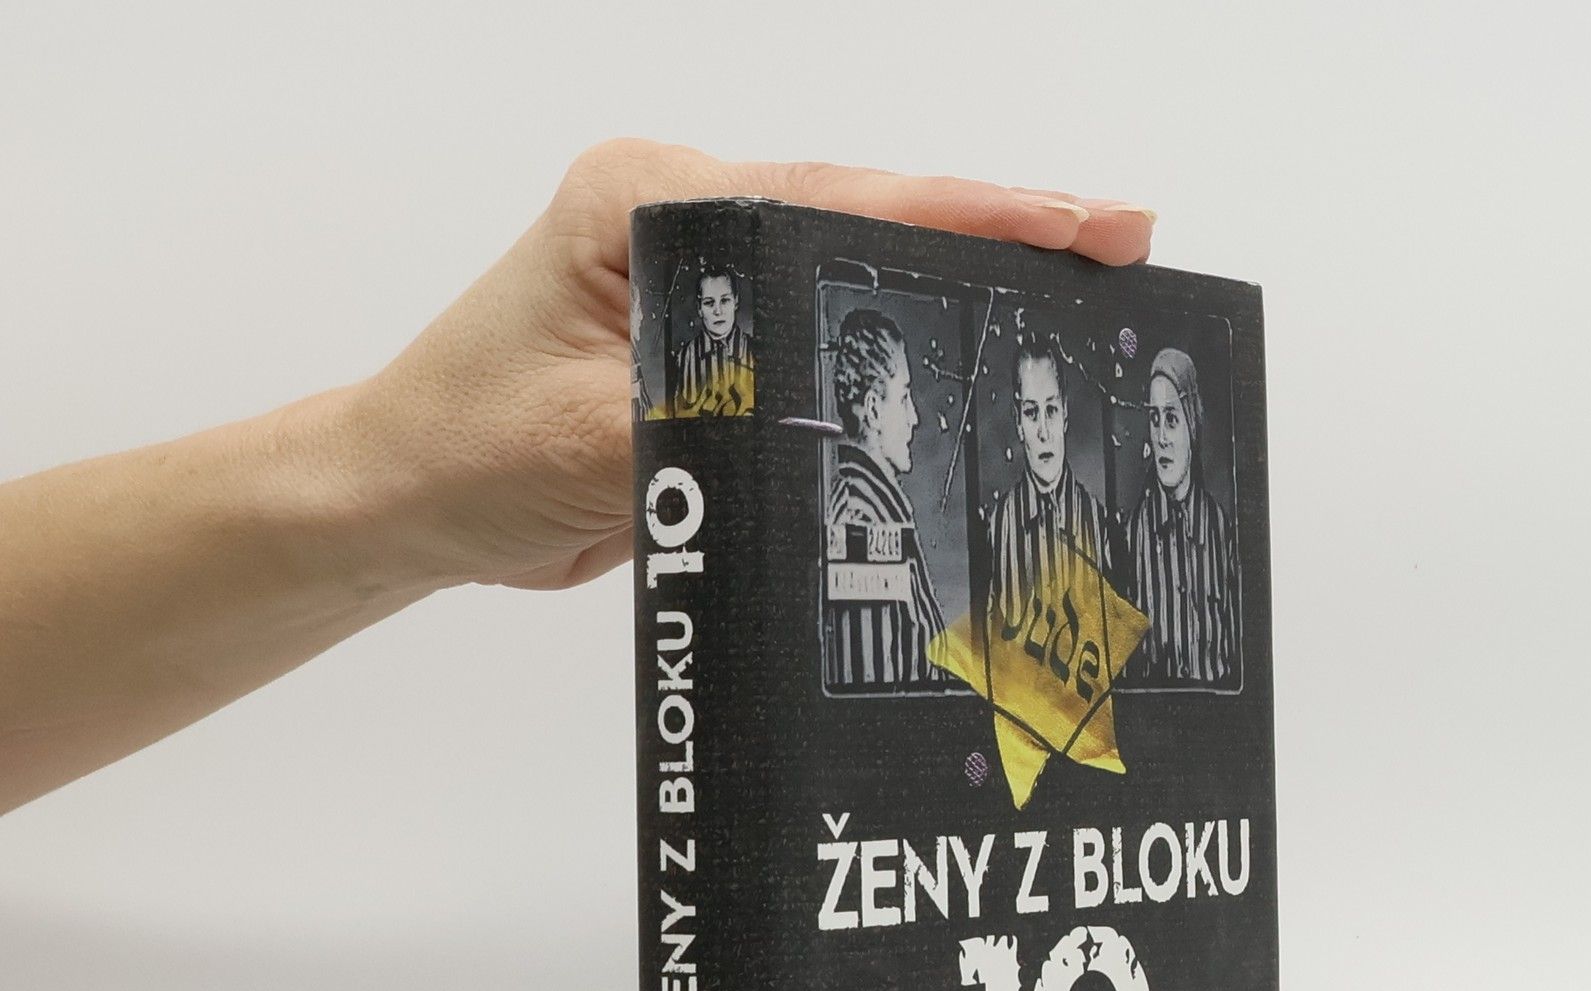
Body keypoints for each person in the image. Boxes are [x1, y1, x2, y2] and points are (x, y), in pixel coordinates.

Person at [0, 141, 1154, 816]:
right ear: (861, 401)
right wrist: (379, 480)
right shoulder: (860, 505)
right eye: (902, 394)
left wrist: (377, 486)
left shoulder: (945, 516)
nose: (921, 414)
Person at [824, 310, 947, 690]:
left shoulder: (876, 510)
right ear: (874, 410)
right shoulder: (860, 521)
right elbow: (871, 691)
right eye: (904, 398)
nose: (914, 418)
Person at [985, 332, 1109, 647]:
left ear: (1065, 413)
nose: (1043, 431)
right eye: (1031, 413)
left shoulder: (1101, 524)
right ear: (1018, 422)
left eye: (1051, 410)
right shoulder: (996, 528)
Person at [1127, 345, 1239, 687]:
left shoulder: (1221, 531)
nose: (1161, 438)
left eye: (1172, 420)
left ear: (1192, 425)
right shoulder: (1133, 535)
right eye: (1155, 419)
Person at [671, 261, 754, 417]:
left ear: (736, 302)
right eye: (709, 303)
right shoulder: (684, 358)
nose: (718, 311)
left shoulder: (754, 350)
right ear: (699, 308)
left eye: (725, 300)